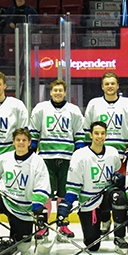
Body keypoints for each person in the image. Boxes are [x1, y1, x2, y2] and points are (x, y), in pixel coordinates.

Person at [0, 127, 51, 254]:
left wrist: (37, 206)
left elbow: (42, 185)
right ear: (13, 142)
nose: (21, 143)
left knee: (23, 248)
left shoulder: (37, 161)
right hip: (4, 198)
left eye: (24, 140)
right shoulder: (5, 158)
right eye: (18, 140)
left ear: (29, 142)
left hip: (22, 207)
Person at [30, 79, 84, 240]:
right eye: (55, 90)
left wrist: (79, 156)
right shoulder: (41, 109)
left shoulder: (73, 110)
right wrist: (32, 155)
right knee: (44, 193)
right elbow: (33, 133)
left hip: (67, 158)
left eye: (61, 90)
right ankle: (43, 225)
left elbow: (79, 135)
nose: (58, 93)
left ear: (65, 92)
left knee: (64, 193)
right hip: (46, 157)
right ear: (50, 92)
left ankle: (63, 225)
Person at [63, 121, 128, 253]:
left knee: (119, 196)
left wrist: (119, 179)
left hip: (106, 196)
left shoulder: (112, 153)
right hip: (89, 201)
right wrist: (65, 206)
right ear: (90, 135)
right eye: (96, 133)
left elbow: (116, 175)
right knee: (92, 245)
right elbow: (73, 186)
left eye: (103, 133)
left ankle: (119, 237)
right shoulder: (80, 155)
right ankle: (101, 219)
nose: (100, 136)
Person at [82, 72, 128, 163]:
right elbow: (87, 130)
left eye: (112, 83)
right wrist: (89, 151)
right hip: (98, 155)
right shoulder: (94, 104)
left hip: (123, 156)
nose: (110, 86)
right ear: (102, 86)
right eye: (107, 84)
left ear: (117, 86)